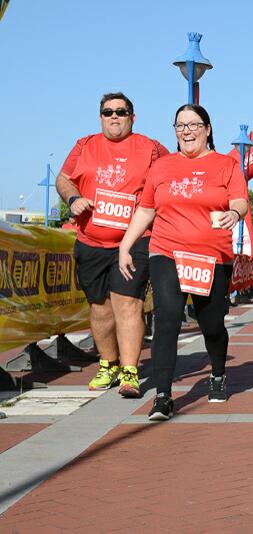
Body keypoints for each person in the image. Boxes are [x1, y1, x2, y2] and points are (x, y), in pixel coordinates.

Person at [119, 103, 249, 421]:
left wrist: (233, 213)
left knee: (212, 325)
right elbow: (147, 209)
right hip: (167, 251)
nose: (186, 131)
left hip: (212, 256)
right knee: (167, 319)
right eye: (180, 126)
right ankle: (163, 396)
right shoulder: (162, 167)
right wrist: (125, 245)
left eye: (193, 125)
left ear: (207, 129)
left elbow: (240, 201)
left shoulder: (225, 165)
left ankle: (217, 374)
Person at [55, 92, 169, 398]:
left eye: (121, 111)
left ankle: (130, 372)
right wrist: (74, 198)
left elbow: (168, 182)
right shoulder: (85, 145)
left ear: (133, 117)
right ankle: (109, 363)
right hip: (90, 242)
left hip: (133, 241)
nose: (114, 116)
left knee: (127, 303)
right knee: (101, 309)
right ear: (101, 117)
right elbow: (64, 179)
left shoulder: (150, 148)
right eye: (108, 112)